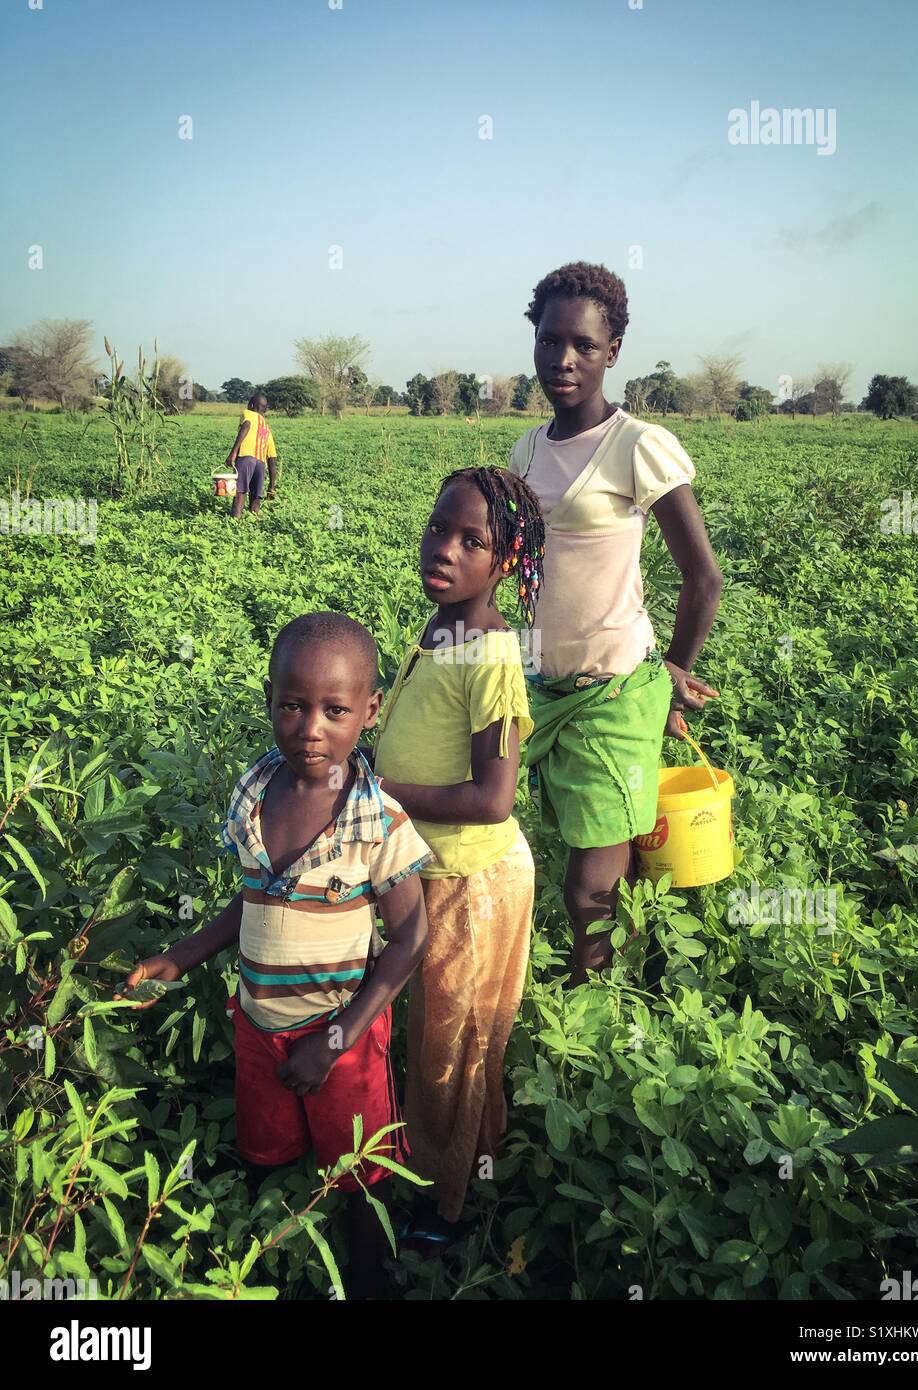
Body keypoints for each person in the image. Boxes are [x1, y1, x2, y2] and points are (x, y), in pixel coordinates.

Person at [118, 612, 432, 1297]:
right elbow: (252, 901)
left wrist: (337, 1037)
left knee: (357, 1172)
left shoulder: (378, 822)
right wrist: (178, 957)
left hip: (341, 1035)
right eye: (291, 705)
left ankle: (371, 1273)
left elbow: (409, 940)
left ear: (369, 712)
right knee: (264, 1149)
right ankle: (260, 1259)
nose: (309, 727)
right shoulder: (256, 793)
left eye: (334, 709)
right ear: (269, 700)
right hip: (257, 1022)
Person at [507, 261, 724, 986]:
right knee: (507, 830)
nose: (561, 361)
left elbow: (703, 578)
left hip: (616, 689)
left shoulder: (638, 445)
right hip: (543, 683)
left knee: (587, 890)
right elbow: (524, 570)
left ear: (612, 351)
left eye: (581, 345)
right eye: (547, 342)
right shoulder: (526, 451)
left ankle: (601, 1017)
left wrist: (673, 671)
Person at [372, 466, 545, 1225]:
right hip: (429, 871)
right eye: (438, 527)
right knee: (441, 1033)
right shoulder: (442, 627)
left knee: (454, 1047)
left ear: (504, 563)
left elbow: (490, 796)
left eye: (471, 540)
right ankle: (474, 1167)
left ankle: (445, 1210)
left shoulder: (490, 649)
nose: (444, 549)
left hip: (471, 883)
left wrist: (373, 792)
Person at [225, 390, 278, 518]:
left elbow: (246, 425)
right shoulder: (266, 427)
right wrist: (272, 487)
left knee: (240, 491)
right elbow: (272, 460)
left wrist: (233, 452)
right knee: (256, 495)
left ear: (252, 405)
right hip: (260, 463)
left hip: (246, 458)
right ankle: (253, 522)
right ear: (264, 409)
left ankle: (235, 522)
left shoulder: (247, 413)